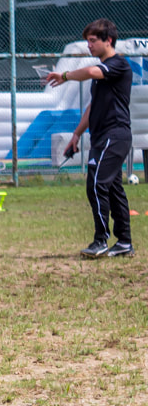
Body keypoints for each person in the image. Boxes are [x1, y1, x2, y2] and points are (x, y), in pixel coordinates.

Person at [47, 18, 134, 258]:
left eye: (93, 40)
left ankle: (100, 240)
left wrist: (65, 75)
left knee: (95, 183)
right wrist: (76, 134)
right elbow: (93, 106)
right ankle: (124, 242)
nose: (89, 45)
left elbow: (90, 71)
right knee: (113, 188)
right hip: (101, 136)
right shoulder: (101, 73)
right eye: (87, 41)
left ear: (109, 40)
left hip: (115, 134)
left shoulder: (118, 64)